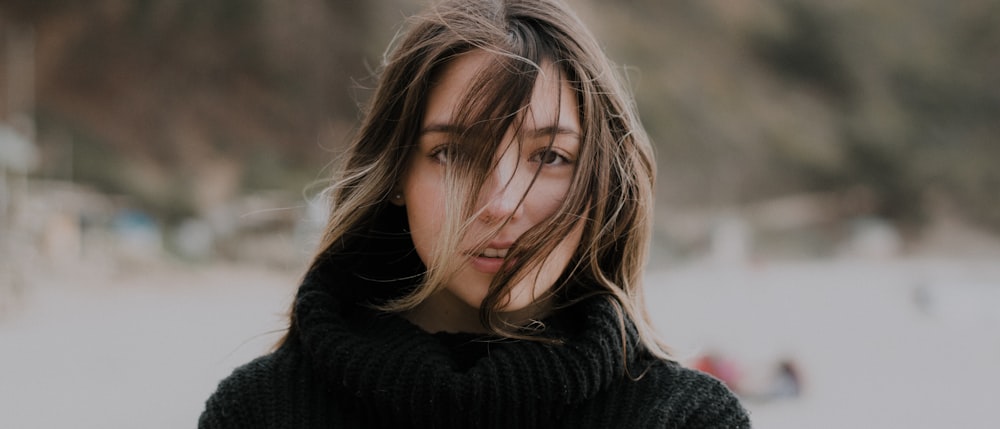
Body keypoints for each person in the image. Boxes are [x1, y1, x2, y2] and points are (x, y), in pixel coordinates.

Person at [199, 0, 751, 427]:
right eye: (454, 153)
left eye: (551, 157)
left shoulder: (688, 420)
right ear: (396, 174)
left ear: (602, 183)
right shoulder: (259, 413)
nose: (501, 204)